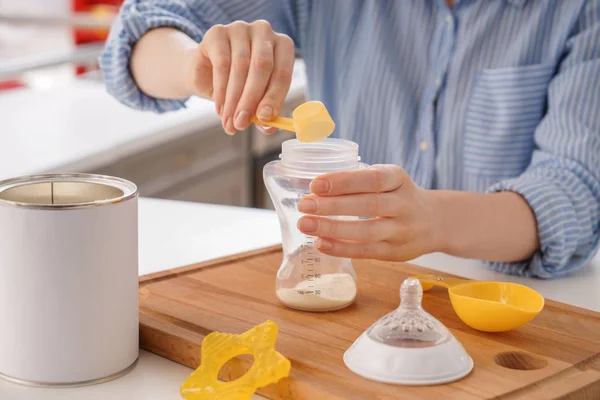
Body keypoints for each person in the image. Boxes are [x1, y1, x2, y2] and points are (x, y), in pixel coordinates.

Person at [99, 0, 600, 279]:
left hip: (504, 298)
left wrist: (434, 219)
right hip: (356, 292)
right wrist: (198, 64)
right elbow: (138, 33)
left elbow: (576, 192)